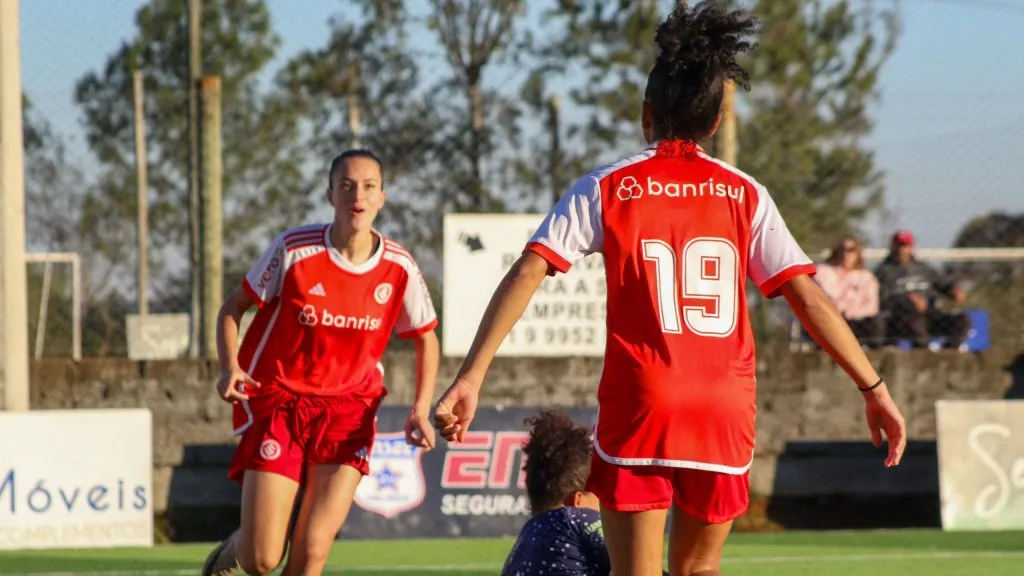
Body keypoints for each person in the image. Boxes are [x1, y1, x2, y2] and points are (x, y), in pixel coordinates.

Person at [433, 4, 907, 576]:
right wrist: (873, 388)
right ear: (715, 123)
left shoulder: (607, 187)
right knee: (699, 569)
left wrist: (470, 376)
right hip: (722, 408)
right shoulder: (746, 194)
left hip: (643, 403)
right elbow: (807, 297)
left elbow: (527, 271)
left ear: (646, 115)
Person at [204, 149, 440, 576]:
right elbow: (232, 308)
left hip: (349, 412)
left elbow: (426, 338)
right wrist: (229, 367)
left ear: (382, 197)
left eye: (368, 186)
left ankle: (277, 532)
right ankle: (236, 547)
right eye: (346, 186)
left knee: (312, 551)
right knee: (261, 559)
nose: (357, 196)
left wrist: (420, 409)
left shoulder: (398, 266)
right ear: (330, 194)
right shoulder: (294, 249)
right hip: (282, 403)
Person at [502, 409, 613, 576]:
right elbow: (639, 565)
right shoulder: (576, 519)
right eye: (599, 499)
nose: (603, 509)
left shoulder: (521, 544)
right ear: (577, 501)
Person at [874, 230, 970, 350]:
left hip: (930, 314)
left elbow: (942, 283)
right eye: (899, 245)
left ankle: (949, 353)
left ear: (911, 247)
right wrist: (907, 301)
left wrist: (953, 291)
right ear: (893, 246)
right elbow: (884, 299)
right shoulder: (883, 271)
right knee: (916, 322)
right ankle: (923, 353)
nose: (902, 250)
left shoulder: (924, 269)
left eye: (905, 246)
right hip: (902, 319)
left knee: (961, 320)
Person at [812, 235, 884, 348]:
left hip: (857, 319)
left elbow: (872, 306)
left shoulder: (867, 277)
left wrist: (850, 312)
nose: (846, 254)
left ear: (858, 253)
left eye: (851, 250)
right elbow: (824, 296)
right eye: (843, 249)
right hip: (831, 317)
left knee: (875, 323)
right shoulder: (823, 272)